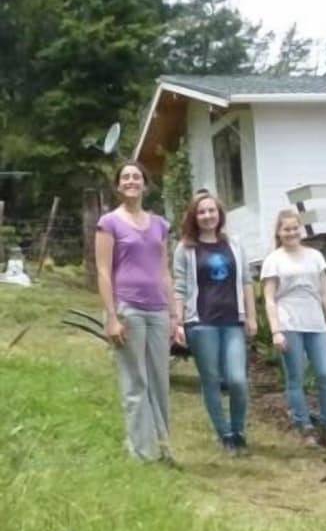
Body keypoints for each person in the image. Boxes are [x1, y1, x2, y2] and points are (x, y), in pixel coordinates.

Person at [95, 160, 176, 464]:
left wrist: (173, 313)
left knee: (159, 381)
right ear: (118, 186)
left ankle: (163, 446)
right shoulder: (109, 223)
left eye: (137, 176)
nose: (131, 181)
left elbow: (165, 271)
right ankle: (141, 452)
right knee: (135, 383)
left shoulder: (160, 225)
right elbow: (103, 272)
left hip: (157, 310)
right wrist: (112, 316)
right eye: (125, 177)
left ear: (145, 183)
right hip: (127, 309)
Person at [171, 192, 257, 455]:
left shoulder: (234, 244)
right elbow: (180, 287)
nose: (207, 216)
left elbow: (246, 282)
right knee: (210, 380)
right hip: (201, 322)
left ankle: (239, 429)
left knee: (237, 379)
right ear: (194, 217)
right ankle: (225, 434)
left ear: (219, 214)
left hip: (233, 321)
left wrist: (252, 316)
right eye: (201, 212)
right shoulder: (185, 248)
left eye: (212, 211)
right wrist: (178, 322)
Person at [260, 209, 326, 447]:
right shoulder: (273, 260)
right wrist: (276, 331)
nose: (291, 232)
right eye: (286, 229)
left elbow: (325, 293)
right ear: (279, 232)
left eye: (295, 228)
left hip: (316, 324)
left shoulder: (315, 256)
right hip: (289, 324)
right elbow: (269, 299)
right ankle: (305, 426)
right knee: (295, 377)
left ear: (301, 229)